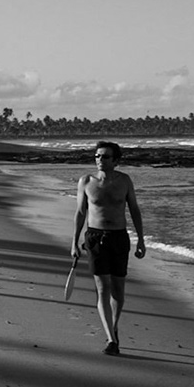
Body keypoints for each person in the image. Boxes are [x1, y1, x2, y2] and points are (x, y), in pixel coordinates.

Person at [72, 140, 145, 355]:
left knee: (118, 290)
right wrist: (74, 242)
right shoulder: (86, 181)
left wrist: (141, 239)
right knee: (102, 288)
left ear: (115, 161)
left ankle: (112, 327)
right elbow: (80, 213)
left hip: (119, 238)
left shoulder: (125, 181)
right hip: (95, 238)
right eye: (97, 156)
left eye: (105, 156)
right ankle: (112, 340)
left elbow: (134, 209)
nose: (100, 160)